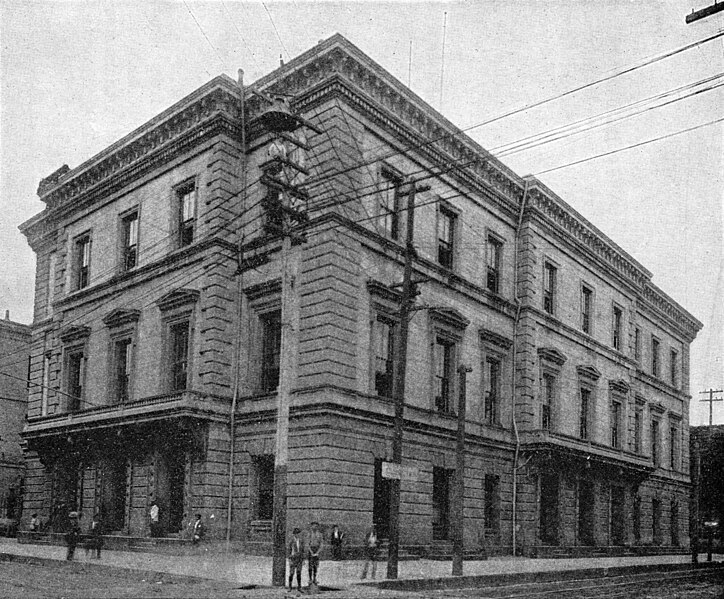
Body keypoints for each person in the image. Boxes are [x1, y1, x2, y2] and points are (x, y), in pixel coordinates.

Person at [287, 527, 304, 592]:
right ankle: (290, 587)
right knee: (291, 573)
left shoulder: (301, 541)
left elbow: (302, 550)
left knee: (299, 573)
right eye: (296, 533)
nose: (298, 535)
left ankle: (299, 587)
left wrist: (303, 559)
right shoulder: (291, 541)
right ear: (294, 534)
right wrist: (289, 559)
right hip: (293, 558)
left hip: (299, 559)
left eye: (298, 533)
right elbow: (289, 550)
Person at [307, 521, 323, 585]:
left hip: (316, 550)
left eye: (316, 526)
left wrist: (317, 552)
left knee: (315, 566)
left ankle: (315, 578)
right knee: (310, 565)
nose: (314, 527)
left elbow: (321, 544)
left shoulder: (320, 534)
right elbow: (307, 544)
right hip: (311, 550)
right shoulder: (309, 534)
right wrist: (311, 552)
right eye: (313, 526)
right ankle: (310, 579)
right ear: (311, 527)